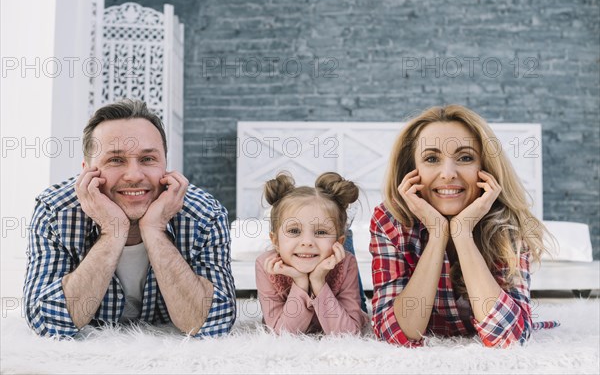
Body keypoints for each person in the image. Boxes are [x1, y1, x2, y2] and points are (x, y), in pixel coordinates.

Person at [23, 99, 236, 337]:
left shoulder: (205, 215)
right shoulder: (54, 211)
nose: (134, 175)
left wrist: (155, 230)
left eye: (147, 159)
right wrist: (112, 231)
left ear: (165, 165)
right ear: (87, 170)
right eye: (116, 160)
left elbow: (214, 324)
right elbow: (46, 322)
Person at [370, 104, 558, 348]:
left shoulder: (506, 222)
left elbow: (510, 338)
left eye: (465, 157)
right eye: (431, 159)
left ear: (486, 169)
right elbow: (393, 335)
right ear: (411, 172)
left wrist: (462, 233)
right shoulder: (390, 220)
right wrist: (438, 234)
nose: (448, 173)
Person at [255, 172, 369, 335]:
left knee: (360, 311)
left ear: (340, 242)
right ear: (275, 241)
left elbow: (348, 333)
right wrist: (300, 282)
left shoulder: (346, 263)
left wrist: (318, 281)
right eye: (294, 230)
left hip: (339, 292)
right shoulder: (266, 265)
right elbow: (282, 333)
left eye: (321, 232)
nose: (307, 242)